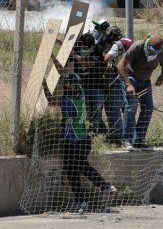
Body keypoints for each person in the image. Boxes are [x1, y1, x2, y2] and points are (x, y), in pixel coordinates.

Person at [42, 54, 117, 213]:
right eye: (67, 83)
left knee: (72, 170)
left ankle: (82, 201)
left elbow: (50, 100)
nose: (66, 85)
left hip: (74, 141)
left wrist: (43, 84)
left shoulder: (68, 101)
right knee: (81, 166)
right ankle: (105, 186)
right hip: (84, 139)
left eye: (68, 84)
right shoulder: (80, 92)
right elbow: (64, 73)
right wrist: (53, 58)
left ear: (72, 85)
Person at [117, 35, 163, 151]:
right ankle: (126, 140)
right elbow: (121, 65)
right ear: (148, 44)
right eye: (152, 49)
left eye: (157, 50)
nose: (154, 52)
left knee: (148, 108)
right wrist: (128, 84)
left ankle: (138, 140)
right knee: (131, 107)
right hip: (130, 78)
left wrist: (161, 76)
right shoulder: (137, 47)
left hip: (145, 81)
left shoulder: (161, 52)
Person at [71, 30, 106, 136]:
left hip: (96, 85)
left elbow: (89, 63)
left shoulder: (98, 49)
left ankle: (97, 132)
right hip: (81, 86)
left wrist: (75, 56)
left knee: (97, 109)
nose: (84, 49)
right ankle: (86, 131)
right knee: (83, 110)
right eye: (83, 47)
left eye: (86, 48)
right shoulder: (76, 49)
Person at [102, 26, 129, 143]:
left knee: (113, 107)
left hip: (118, 78)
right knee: (127, 108)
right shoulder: (129, 41)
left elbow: (107, 59)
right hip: (130, 77)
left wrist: (104, 54)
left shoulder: (117, 44)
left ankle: (117, 136)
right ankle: (128, 135)